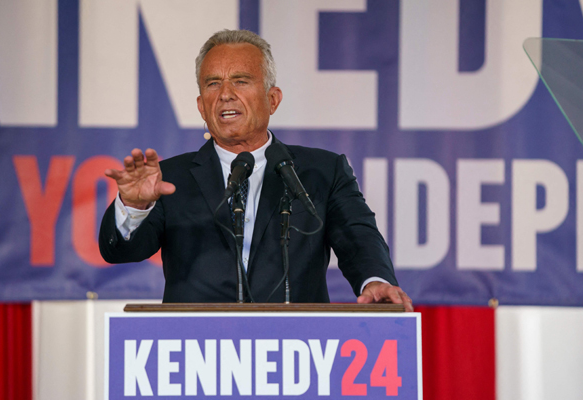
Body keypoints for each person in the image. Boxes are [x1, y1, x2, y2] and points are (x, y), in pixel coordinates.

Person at [99, 29, 412, 310]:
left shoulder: (322, 171)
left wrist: (375, 281)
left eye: (240, 81)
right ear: (201, 106)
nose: (225, 94)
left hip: (296, 350)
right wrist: (134, 207)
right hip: (197, 354)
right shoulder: (170, 179)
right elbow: (120, 252)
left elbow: (358, 237)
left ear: (272, 100)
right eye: (213, 84)